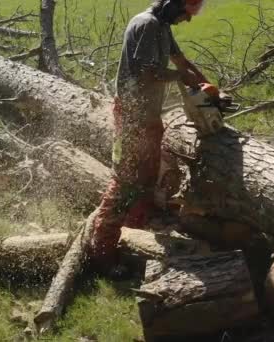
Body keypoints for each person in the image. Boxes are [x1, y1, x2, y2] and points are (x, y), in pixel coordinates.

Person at [88, 0, 209, 266]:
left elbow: (180, 59)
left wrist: (206, 84)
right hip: (133, 116)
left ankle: (133, 233)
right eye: (186, 14)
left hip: (149, 116)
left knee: (148, 175)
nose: (187, 20)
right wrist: (180, 77)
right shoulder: (147, 24)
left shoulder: (162, 26)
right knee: (126, 180)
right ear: (173, 4)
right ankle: (103, 251)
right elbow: (146, 72)